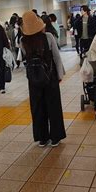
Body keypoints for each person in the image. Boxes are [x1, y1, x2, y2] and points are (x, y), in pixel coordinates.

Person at [21, 11, 66, 147]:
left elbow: (24, 59)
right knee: (53, 106)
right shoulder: (48, 37)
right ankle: (55, 137)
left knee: (37, 107)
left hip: (34, 80)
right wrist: (60, 75)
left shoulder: (23, 41)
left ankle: (42, 138)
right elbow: (56, 57)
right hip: (49, 76)